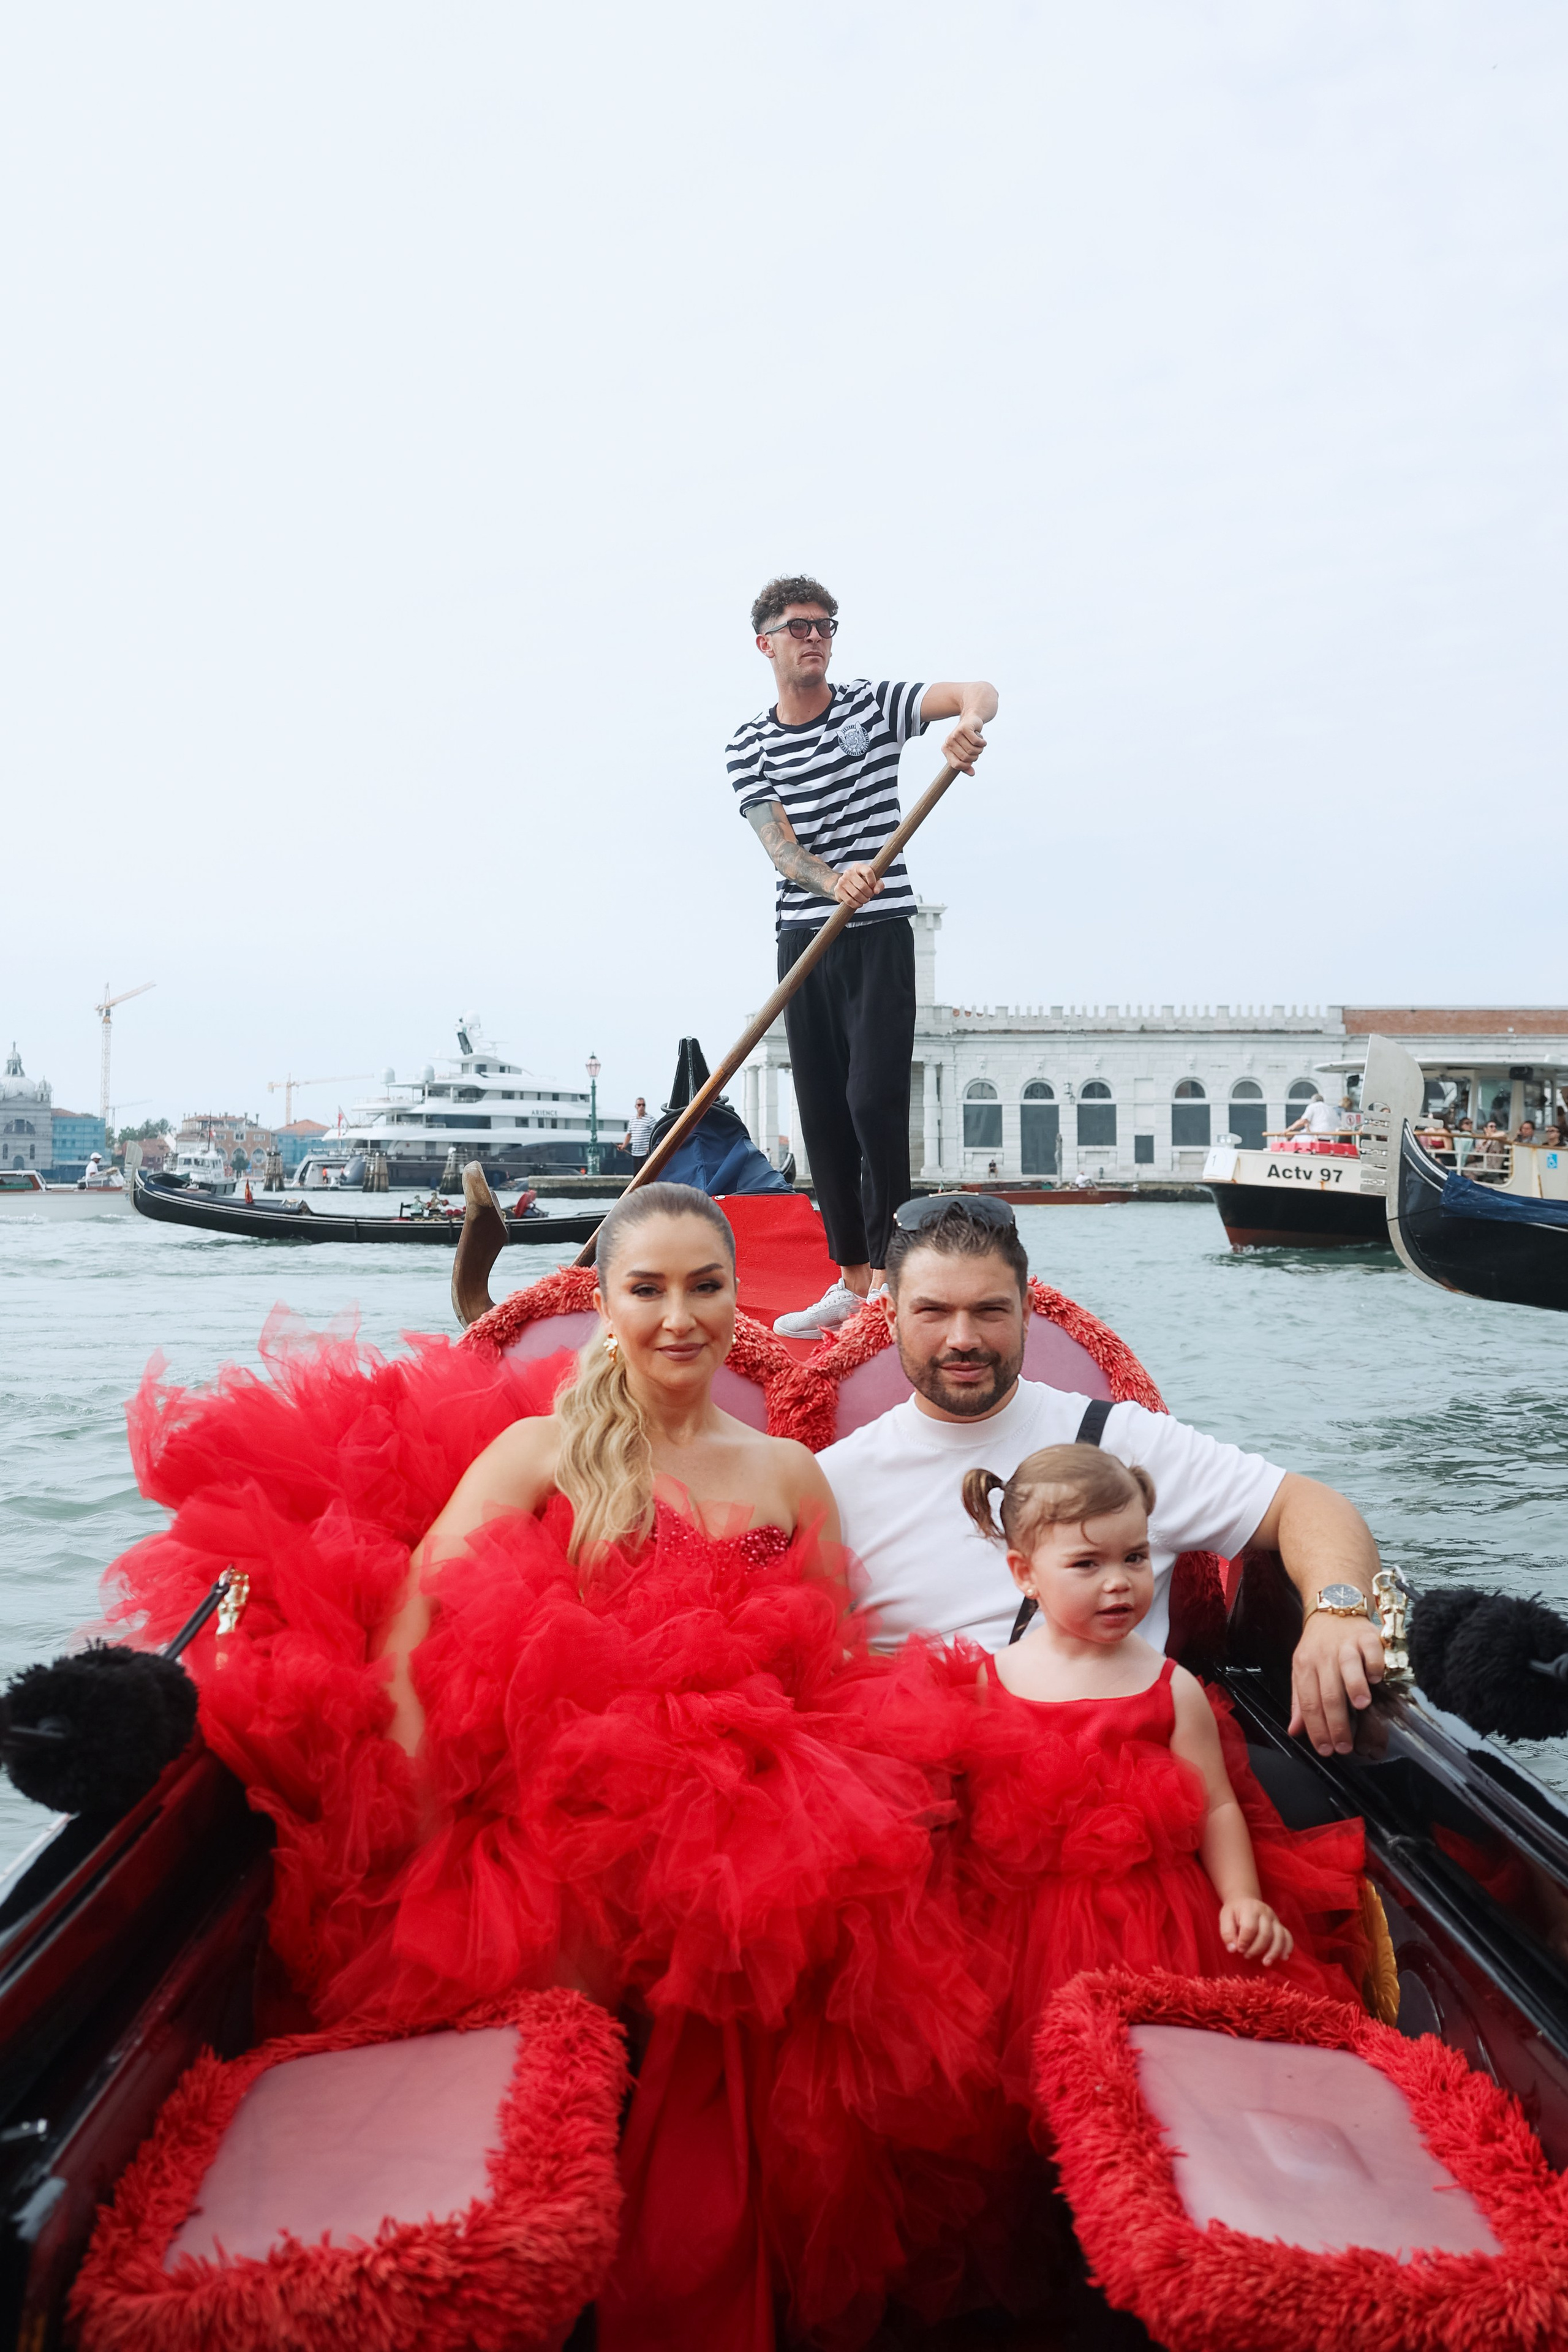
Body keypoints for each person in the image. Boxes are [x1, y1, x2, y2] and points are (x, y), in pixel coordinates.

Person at [111, 1182, 997, 2352]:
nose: (680, 1318)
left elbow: (831, 1653)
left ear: (742, 1301)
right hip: (551, 1800)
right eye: (649, 1289)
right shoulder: (539, 1449)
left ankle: (684, 2285)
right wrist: (418, 1814)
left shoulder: (790, 1474)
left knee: (769, 1932)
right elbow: (424, 1622)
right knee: (576, 1942)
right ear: (605, 1303)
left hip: (738, 1803)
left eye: (706, 1287)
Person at [820, 1194, 1390, 1758]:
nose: (962, 1338)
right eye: (933, 1311)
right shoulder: (834, 1480)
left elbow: (1308, 1505)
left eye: (990, 1310)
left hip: (1119, 1775)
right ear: (890, 1314)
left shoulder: (1121, 1438)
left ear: (1026, 1310)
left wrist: (1335, 1613)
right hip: (920, 1786)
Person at [951, 1442, 1364, 2100]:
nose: (1119, 1581)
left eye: (1135, 1558)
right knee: (1045, 2080)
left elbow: (1217, 1806)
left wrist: (1241, 1898)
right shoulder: (988, 1682)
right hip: (1026, 1925)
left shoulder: (1169, 1686)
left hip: (1164, 1919)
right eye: (1086, 1564)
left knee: (1169, 2078)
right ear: (1025, 1573)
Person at [727, 575, 997, 1336]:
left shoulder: (871, 706)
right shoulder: (747, 744)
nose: (815, 637)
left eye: (826, 625)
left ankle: (888, 1276)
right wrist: (828, 878)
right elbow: (779, 848)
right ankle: (848, 1279)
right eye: (799, 626)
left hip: (880, 931)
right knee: (821, 1115)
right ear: (766, 642)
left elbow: (976, 688)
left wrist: (968, 722)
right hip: (802, 938)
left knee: (872, 1101)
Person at [620, 1095, 653, 1166]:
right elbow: (629, 1134)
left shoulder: (650, 1119)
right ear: (636, 1106)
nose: (641, 1107)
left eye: (643, 1105)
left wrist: (651, 1147)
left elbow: (656, 1133)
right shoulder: (632, 1120)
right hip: (635, 1152)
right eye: (639, 1105)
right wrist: (624, 1146)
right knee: (636, 1174)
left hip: (646, 1153)